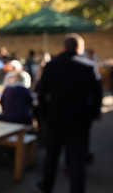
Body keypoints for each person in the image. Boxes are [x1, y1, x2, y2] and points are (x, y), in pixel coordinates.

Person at [33, 33, 103, 193]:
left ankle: (46, 186)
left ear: (64, 47)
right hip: (79, 122)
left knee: (52, 157)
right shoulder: (89, 66)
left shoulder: (51, 65)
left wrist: (44, 115)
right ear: (79, 48)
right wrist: (94, 114)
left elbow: (41, 93)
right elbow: (97, 95)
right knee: (77, 162)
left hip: (55, 120)